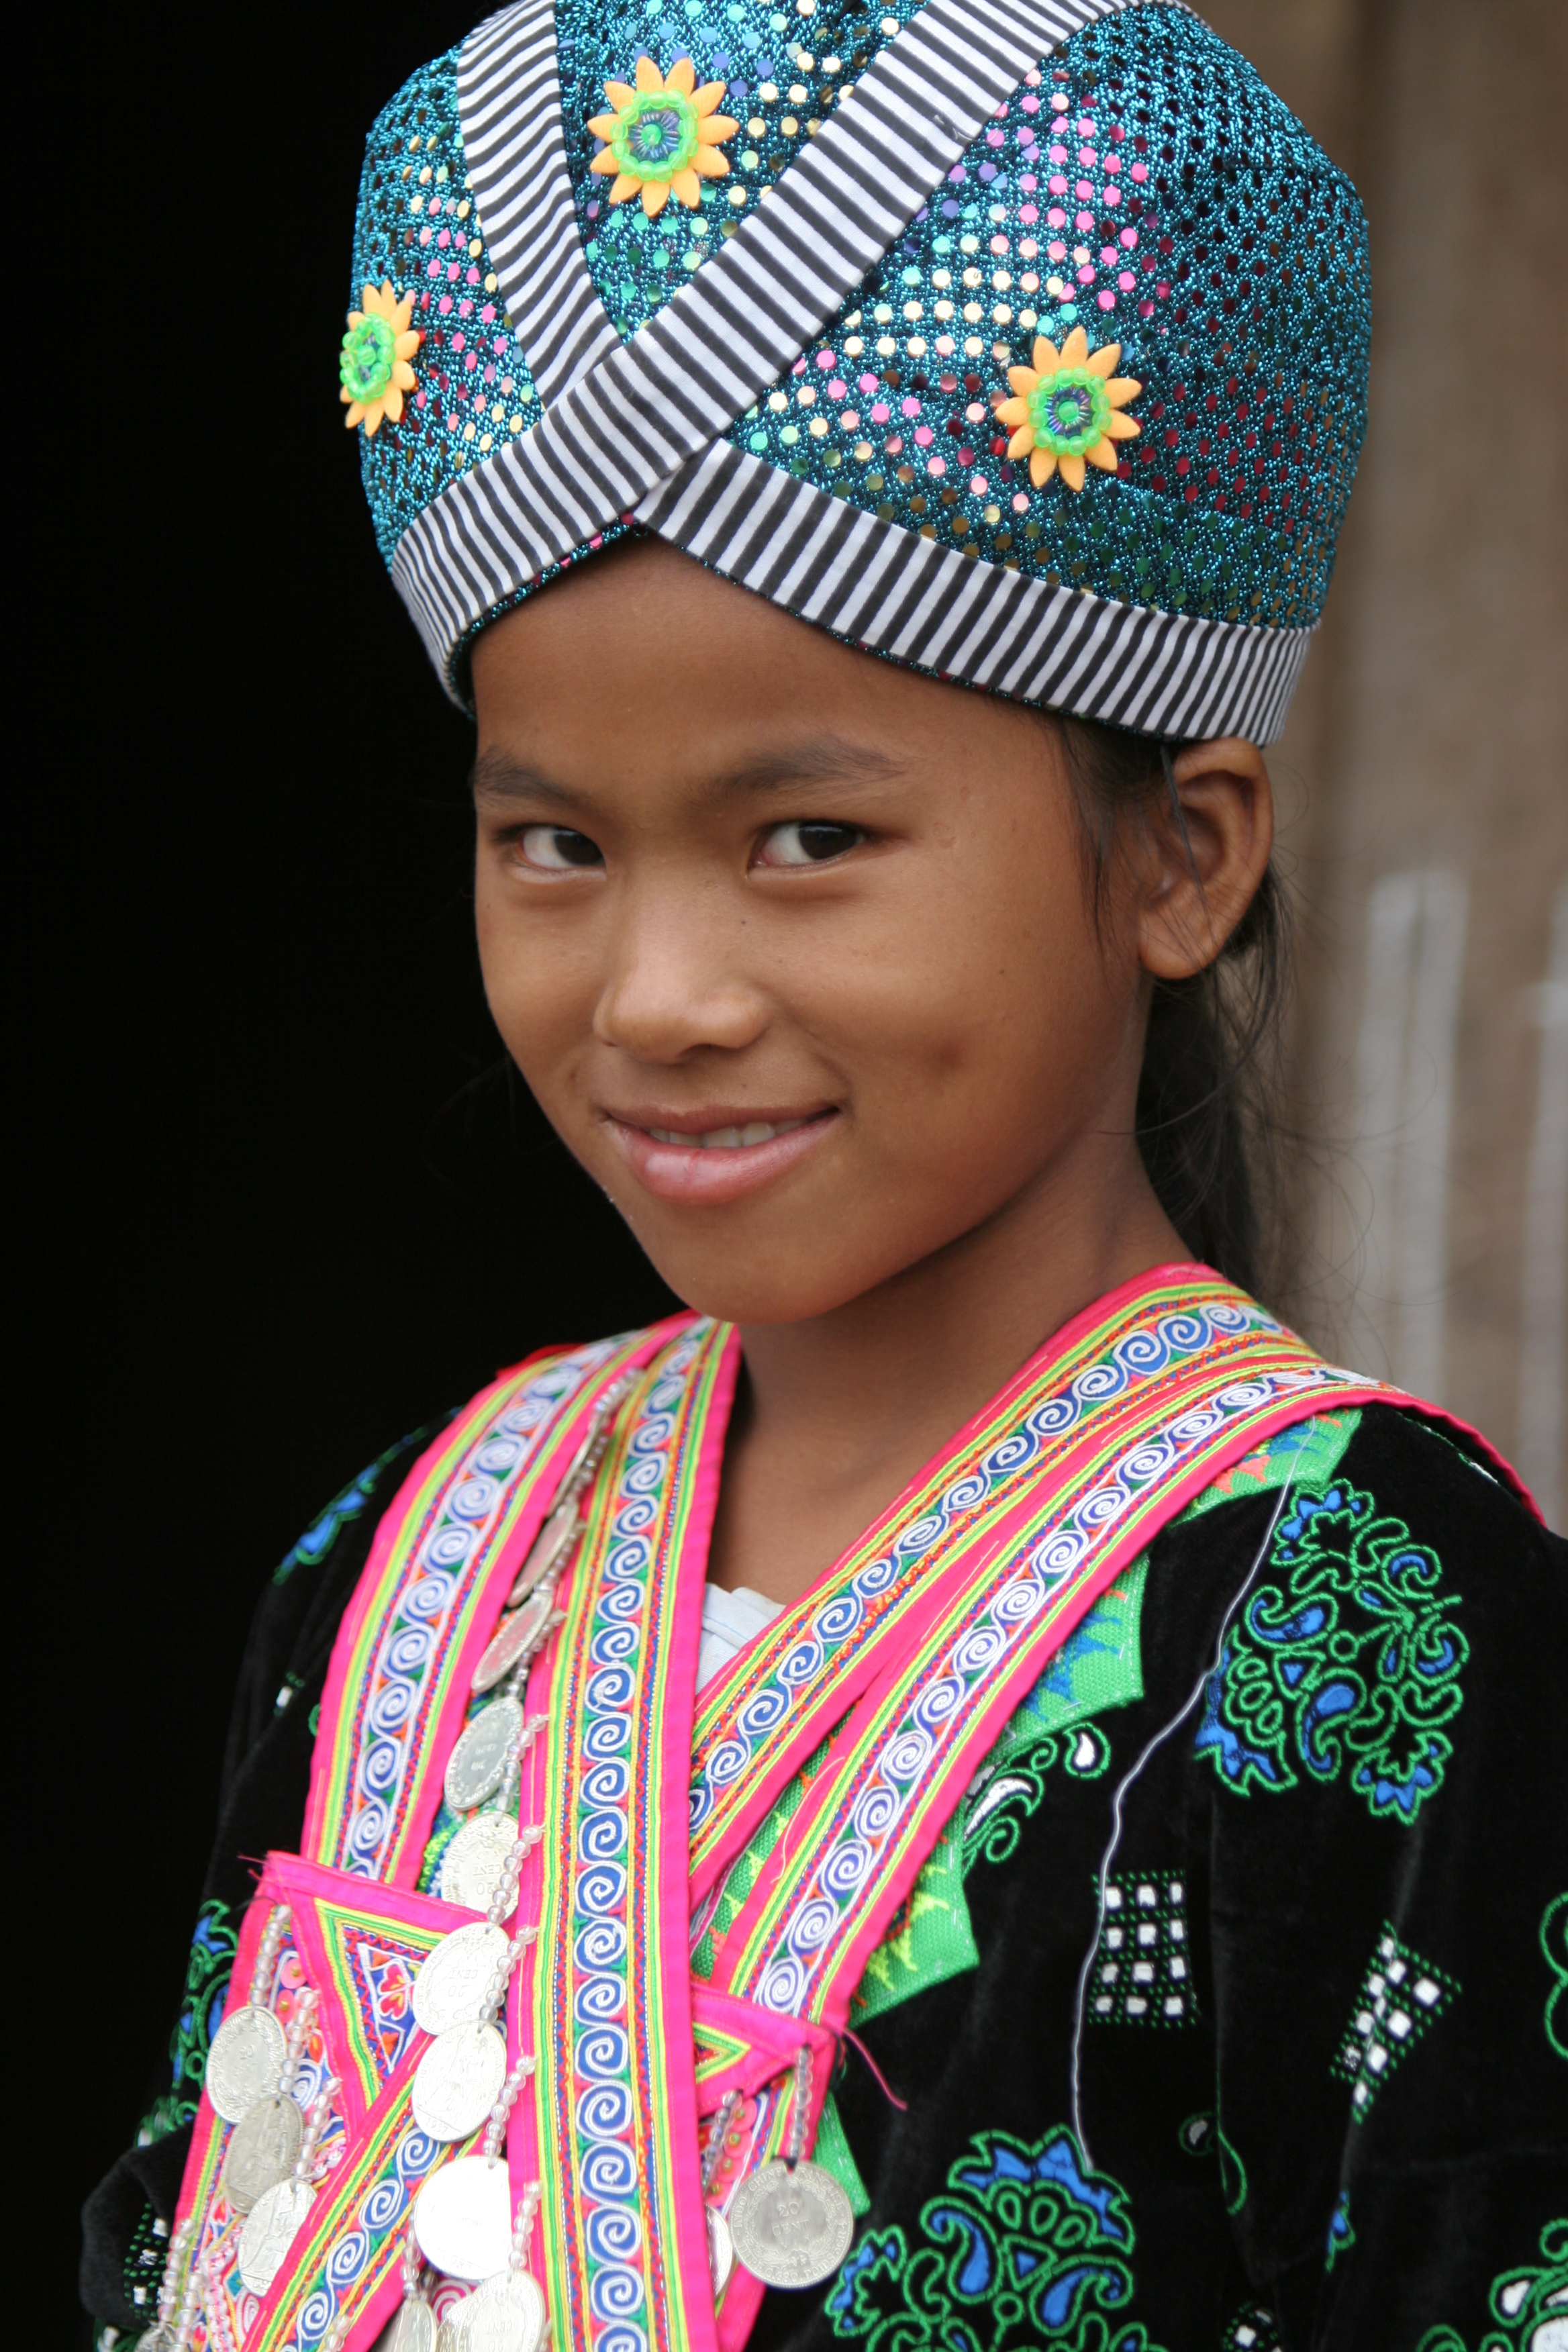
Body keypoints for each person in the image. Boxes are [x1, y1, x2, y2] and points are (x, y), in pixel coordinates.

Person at [83, 1, 1567, 2347]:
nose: (656, 989)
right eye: (553, 842)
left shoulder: (1373, 1624)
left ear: (1181, 857)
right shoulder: (392, 1567)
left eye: (809, 839)